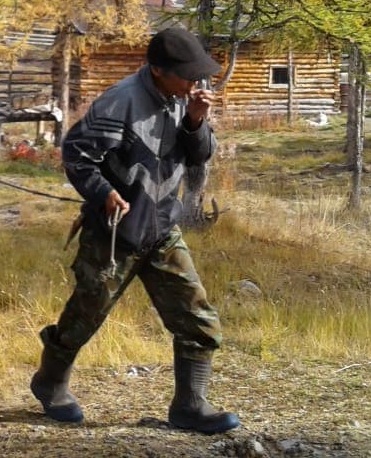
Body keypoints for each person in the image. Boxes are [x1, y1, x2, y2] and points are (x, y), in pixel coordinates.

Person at [30, 26, 239, 434]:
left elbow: (199, 156)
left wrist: (197, 122)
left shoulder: (185, 100)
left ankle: (190, 407)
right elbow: (76, 153)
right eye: (189, 74)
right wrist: (103, 192)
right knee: (83, 318)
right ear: (159, 70)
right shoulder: (119, 101)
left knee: (198, 319)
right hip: (113, 233)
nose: (198, 81)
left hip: (162, 229)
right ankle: (49, 383)